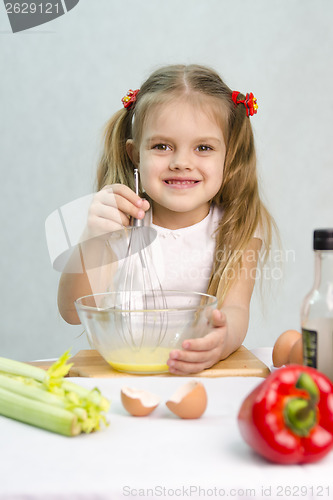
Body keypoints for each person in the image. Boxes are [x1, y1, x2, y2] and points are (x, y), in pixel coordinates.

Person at [58, 64, 276, 375]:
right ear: (135, 155)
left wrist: (222, 340)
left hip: (199, 378)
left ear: (228, 156)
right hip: (124, 376)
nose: (181, 162)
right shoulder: (118, 223)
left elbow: (236, 309)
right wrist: (94, 239)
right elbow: (72, 311)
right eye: (162, 146)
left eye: (203, 147)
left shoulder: (236, 228)